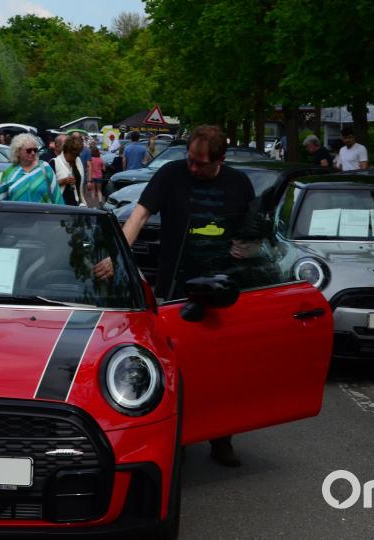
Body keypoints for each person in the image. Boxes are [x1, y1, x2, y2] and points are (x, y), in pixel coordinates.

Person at [98, 125, 259, 467]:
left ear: (220, 160)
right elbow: (138, 216)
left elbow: (252, 233)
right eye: (190, 159)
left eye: (200, 163)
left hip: (223, 292)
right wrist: (118, 257)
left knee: (223, 368)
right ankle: (178, 437)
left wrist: (248, 255)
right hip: (175, 291)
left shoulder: (239, 184)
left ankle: (222, 437)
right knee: (176, 368)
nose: (193, 167)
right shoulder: (171, 175)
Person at [0, 133, 63, 203]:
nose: (33, 153)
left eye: (35, 150)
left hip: (44, 213)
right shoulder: (8, 172)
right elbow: (1, 202)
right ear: (18, 151)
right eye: (29, 150)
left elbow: (57, 197)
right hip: (17, 213)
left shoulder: (45, 167)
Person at [50, 136, 86, 206]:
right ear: (66, 151)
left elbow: (80, 187)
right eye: (74, 154)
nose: (75, 157)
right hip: (61, 206)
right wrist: (63, 181)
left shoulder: (78, 161)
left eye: (77, 154)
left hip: (77, 205)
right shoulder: (54, 162)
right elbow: (48, 186)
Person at [88, 141, 106, 206]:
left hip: (92, 176)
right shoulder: (101, 159)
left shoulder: (90, 159)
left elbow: (88, 167)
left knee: (93, 191)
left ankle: (93, 205)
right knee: (99, 190)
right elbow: (104, 169)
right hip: (99, 176)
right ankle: (100, 202)